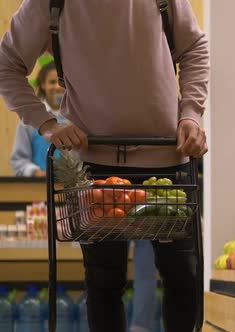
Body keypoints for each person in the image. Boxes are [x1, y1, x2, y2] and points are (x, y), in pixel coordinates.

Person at [0, 1, 209, 331]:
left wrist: (191, 114)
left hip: (168, 157)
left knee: (183, 275)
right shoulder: (50, 3)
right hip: (95, 164)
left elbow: (195, 47)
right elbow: (7, 65)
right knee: (103, 283)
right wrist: (46, 123)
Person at [10, 61, 67, 177]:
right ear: (42, 84)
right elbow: (19, 161)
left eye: (61, 82)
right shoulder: (29, 120)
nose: (57, 87)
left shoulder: (77, 119)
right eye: (52, 82)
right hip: (39, 188)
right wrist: (35, 172)